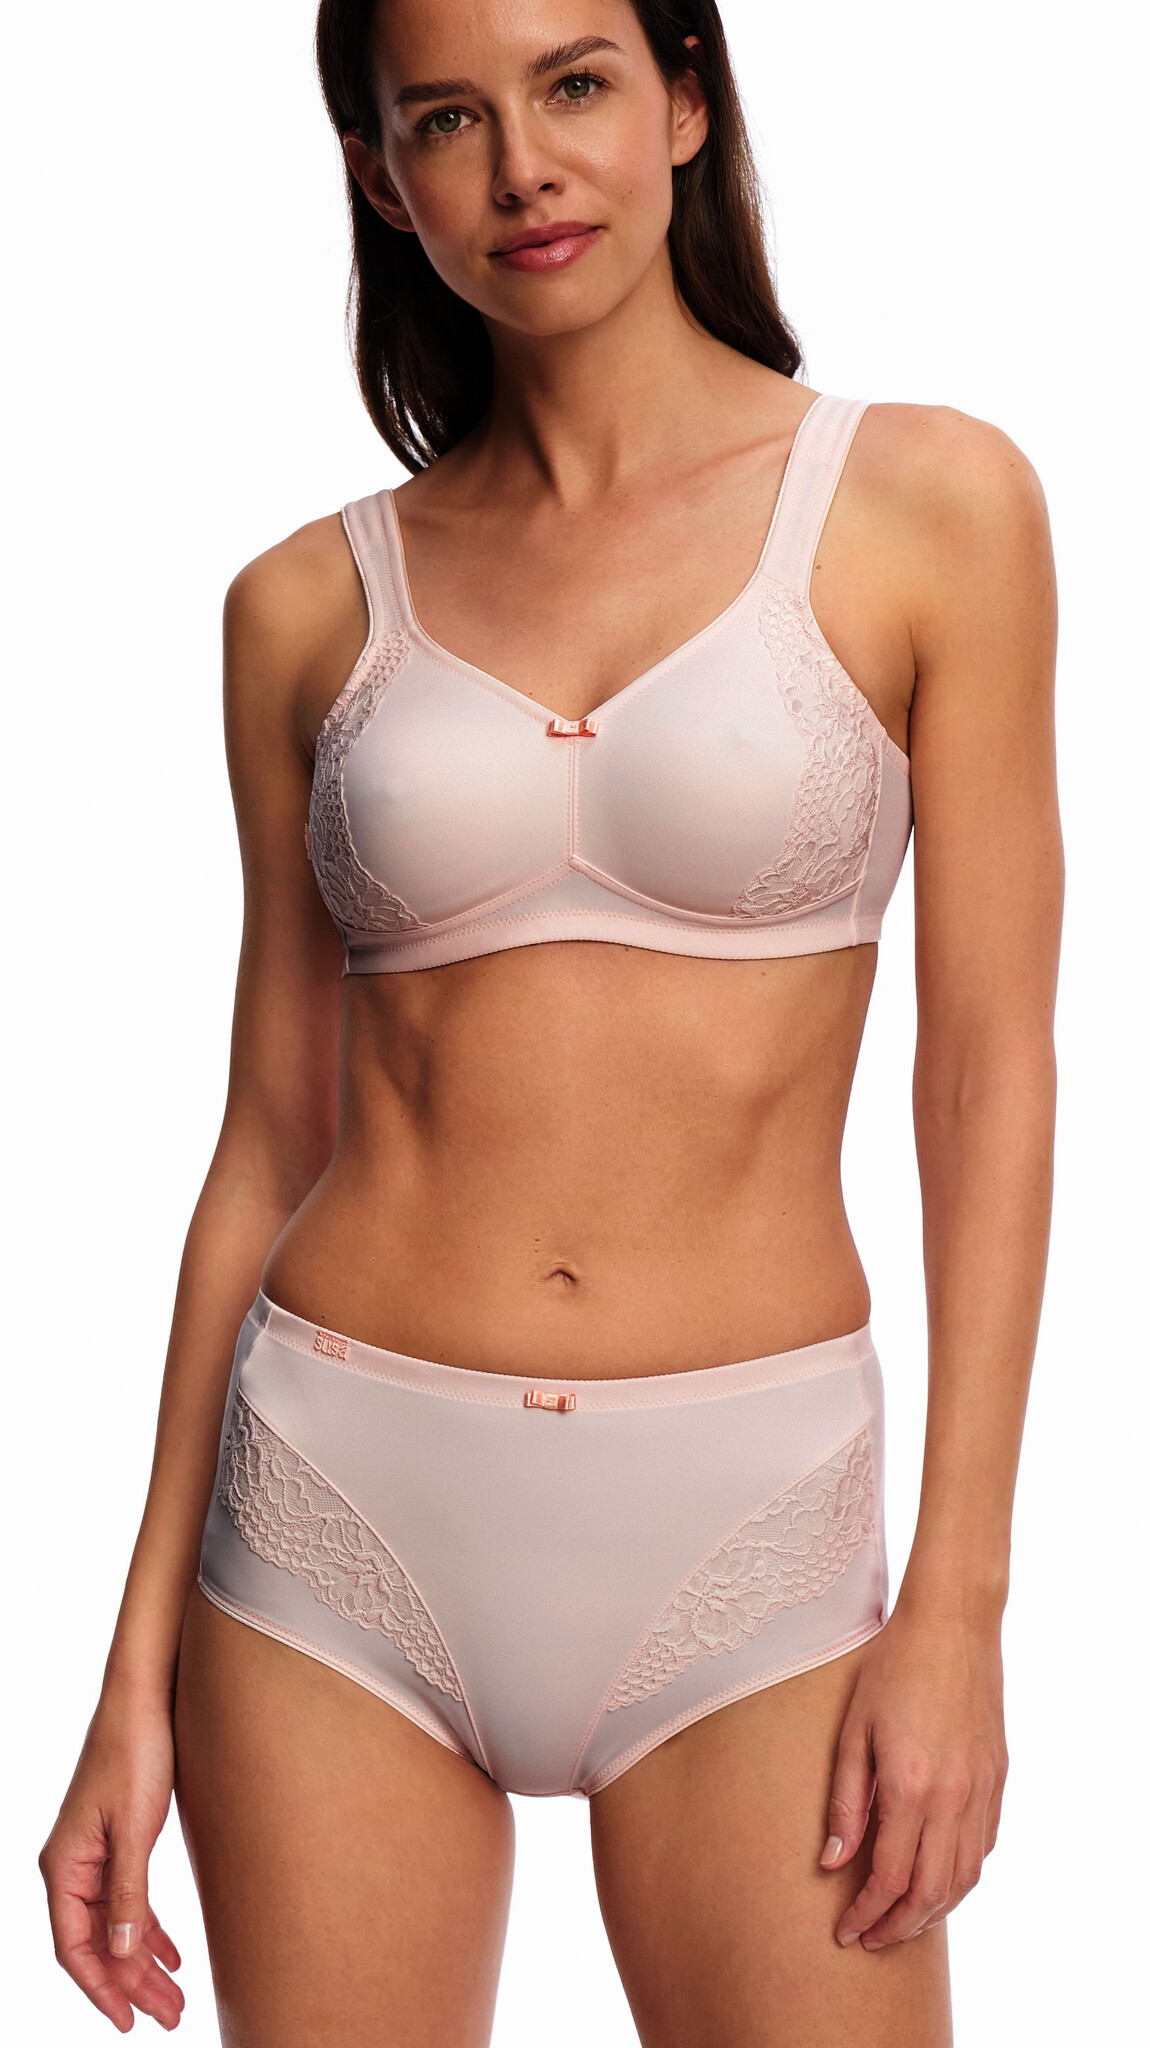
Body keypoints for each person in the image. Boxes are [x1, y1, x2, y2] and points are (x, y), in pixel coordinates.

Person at [39, 1, 1062, 2041]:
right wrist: (131, 1669)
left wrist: (956, 1598)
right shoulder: (300, 606)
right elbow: (266, 1138)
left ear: (682, 97)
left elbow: (985, 1076)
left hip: (751, 1523)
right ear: (376, 173)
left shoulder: (925, 504)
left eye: (574, 82)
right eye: (445, 117)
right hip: (333, 1507)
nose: (520, 166)